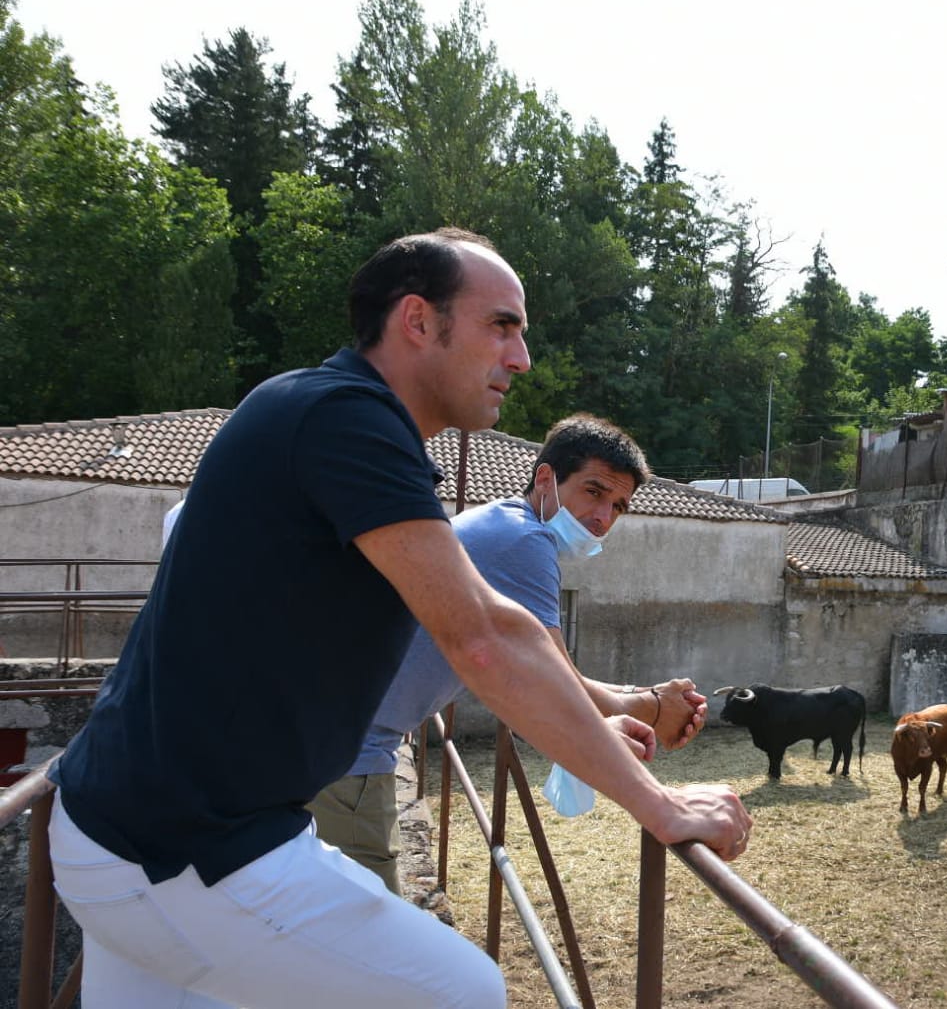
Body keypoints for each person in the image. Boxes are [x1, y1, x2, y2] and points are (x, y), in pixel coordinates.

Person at [47, 229, 752, 1008]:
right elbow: (484, 638)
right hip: (182, 849)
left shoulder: (311, 406)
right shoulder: (349, 419)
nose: (520, 359)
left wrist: (591, 726)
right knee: (461, 991)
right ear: (418, 320)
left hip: (118, 827)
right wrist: (659, 804)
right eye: (502, 326)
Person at [309, 412, 707, 893]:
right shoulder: (524, 542)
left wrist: (647, 698)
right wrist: (653, 708)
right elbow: (555, 683)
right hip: (349, 754)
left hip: (334, 737)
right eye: (594, 491)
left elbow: (555, 673)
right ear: (546, 479)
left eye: (619, 507)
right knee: (363, 946)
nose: (603, 518)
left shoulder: (502, 522)